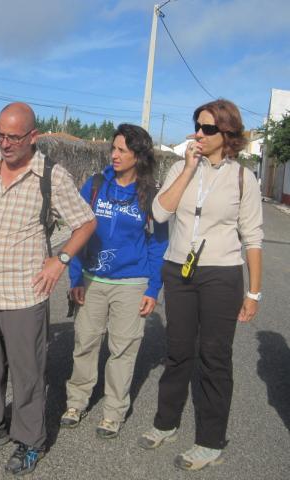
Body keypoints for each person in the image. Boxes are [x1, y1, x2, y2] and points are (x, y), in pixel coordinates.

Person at [0, 102, 96, 475]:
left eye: (13, 136)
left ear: (33, 136)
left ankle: (31, 441)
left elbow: (85, 223)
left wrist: (59, 260)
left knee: (27, 372)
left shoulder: (51, 176)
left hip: (24, 291)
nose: (5, 143)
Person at [138, 99, 263, 471]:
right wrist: (189, 170)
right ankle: (166, 422)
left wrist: (253, 292)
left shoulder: (244, 178)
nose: (199, 133)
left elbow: (253, 238)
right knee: (177, 350)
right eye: (197, 126)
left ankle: (210, 440)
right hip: (179, 269)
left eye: (208, 128)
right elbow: (160, 213)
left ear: (227, 134)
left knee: (214, 356)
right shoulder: (180, 166)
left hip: (221, 273)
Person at [59, 124, 168, 438]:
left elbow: (158, 244)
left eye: (123, 150)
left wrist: (152, 287)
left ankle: (113, 411)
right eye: (114, 148)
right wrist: (76, 277)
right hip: (91, 279)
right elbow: (77, 232)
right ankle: (76, 402)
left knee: (123, 349)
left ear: (139, 155)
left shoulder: (150, 195)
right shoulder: (94, 186)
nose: (115, 155)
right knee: (85, 342)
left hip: (132, 282)